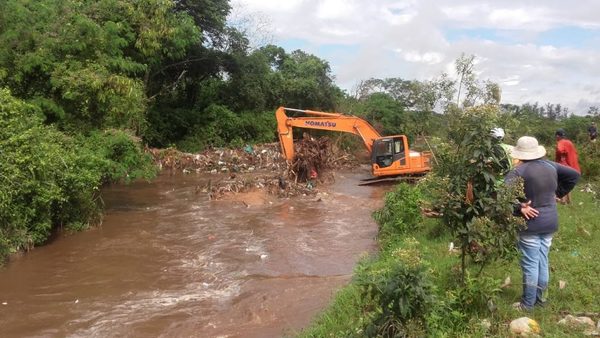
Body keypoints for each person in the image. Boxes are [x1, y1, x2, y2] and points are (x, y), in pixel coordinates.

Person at [504, 136, 580, 311]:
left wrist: (519, 208)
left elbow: (502, 197)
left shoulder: (518, 171)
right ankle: (541, 300)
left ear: (520, 153)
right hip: (550, 221)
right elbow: (574, 175)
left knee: (530, 264)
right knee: (542, 261)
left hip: (530, 223)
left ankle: (528, 304)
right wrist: (559, 193)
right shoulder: (550, 165)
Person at [554, 129, 580, 204]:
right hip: (573, 166)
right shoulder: (569, 142)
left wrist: (561, 159)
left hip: (566, 165)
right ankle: (569, 201)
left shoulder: (561, 142)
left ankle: (563, 200)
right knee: (568, 183)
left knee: (561, 182)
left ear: (557, 136)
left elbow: (560, 150)